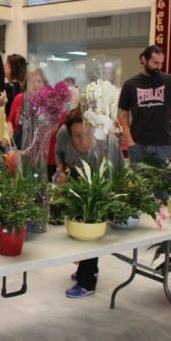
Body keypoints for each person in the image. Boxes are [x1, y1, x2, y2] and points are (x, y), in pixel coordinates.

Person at [54, 108, 123, 298]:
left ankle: (87, 281)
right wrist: (61, 172)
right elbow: (59, 154)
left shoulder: (108, 144)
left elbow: (118, 176)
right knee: (77, 227)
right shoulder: (62, 133)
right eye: (77, 135)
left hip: (100, 185)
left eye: (86, 134)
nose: (82, 140)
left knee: (91, 224)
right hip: (75, 179)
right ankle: (85, 266)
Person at [118, 45, 171, 164]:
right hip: (138, 144)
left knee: (163, 181)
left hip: (163, 144)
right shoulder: (130, 84)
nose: (159, 67)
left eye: (161, 63)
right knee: (137, 182)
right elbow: (123, 115)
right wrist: (130, 141)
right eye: (155, 63)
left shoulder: (170, 81)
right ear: (144, 60)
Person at [8, 67, 49, 149]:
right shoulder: (19, 98)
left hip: (42, 150)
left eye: (39, 81)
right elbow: (10, 121)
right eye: (32, 81)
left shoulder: (49, 103)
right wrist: (10, 128)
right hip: (20, 149)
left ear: (44, 84)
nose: (36, 84)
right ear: (26, 84)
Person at [3, 54, 27, 118]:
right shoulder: (25, 87)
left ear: (12, 68)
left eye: (6, 65)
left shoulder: (7, 87)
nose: (4, 67)